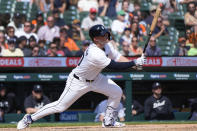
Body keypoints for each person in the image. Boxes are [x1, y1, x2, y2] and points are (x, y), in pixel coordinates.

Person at [17, 24, 146, 129]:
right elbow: (115, 66)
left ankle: (108, 121)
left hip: (96, 78)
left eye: (106, 33)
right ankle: (29, 118)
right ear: (96, 39)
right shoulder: (94, 53)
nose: (106, 35)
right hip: (78, 81)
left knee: (117, 92)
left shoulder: (107, 45)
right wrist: (134, 63)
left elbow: (118, 58)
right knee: (60, 106)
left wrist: (135, 63)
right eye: (103, 35)